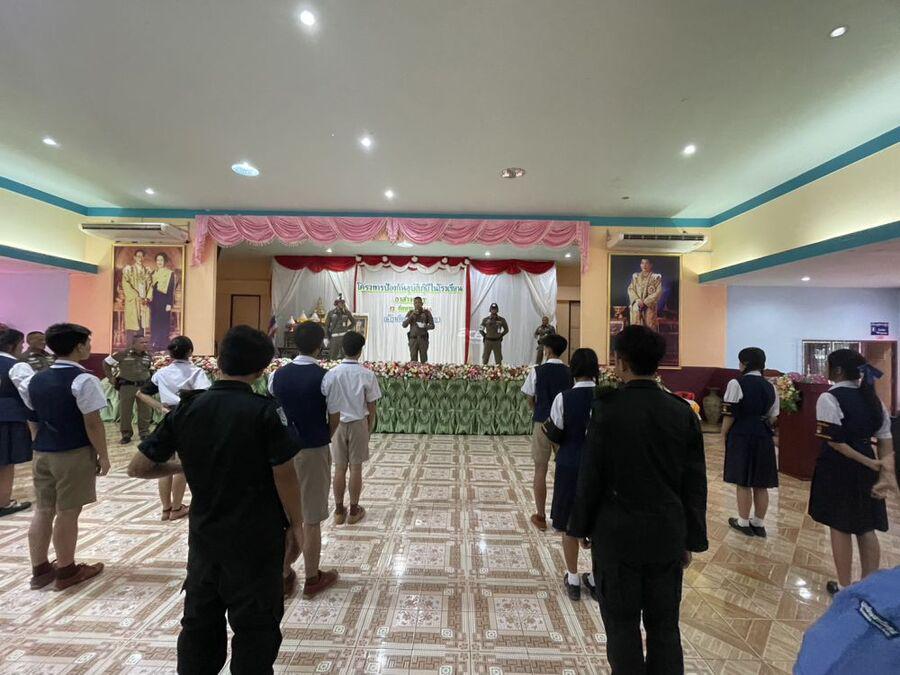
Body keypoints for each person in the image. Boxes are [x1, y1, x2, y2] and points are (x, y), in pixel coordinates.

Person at [127, 325, 304, 674]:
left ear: (219, 361)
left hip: (205, 538)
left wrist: (190, 464)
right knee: (256, 628)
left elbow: (139, 467)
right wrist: (297, 524)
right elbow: (284, 474)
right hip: (256, 538)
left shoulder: (187, 409)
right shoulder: (266, 412)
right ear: (261, 369)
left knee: (200, 624)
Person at [569, 325, 708, 674]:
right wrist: (691, 538)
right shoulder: (682, 412)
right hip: (666, 533)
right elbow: (694, 483)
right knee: (665, 626)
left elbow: (591, 475)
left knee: (621, 625)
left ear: (621, 362)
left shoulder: (607, 410)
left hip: (617, 535)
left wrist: (580, 526)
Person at [20, 323, 109, 591]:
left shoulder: (34, 379)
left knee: (43, 509)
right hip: (73, 452)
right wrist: (103, 455)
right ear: (79, 346)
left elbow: (32, 418)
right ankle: (67, 570)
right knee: (68, 511)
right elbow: (93, 423)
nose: (89, 347)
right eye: (87, 342)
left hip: (42, 452)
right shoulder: (84, 380)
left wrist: (40, 443)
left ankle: (40, 570)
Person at [808, 349, 897, 596]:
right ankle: (868, 587)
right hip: (867, 464)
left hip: (838, 467)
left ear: (837, 371)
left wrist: (870, 464)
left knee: (840, 525)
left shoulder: (829, 398)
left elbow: (836, 443)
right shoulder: (873, 400)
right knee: (866, 527)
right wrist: (883, 471)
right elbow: (885, 439)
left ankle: (844, 587)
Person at [269, 322, 340, 598]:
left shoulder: (276, 375)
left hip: (281, 453)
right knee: (310, 518)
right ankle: (312, 577)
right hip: (313, 450)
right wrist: (321, 438)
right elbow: (334, 418)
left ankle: (283, 574)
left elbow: (274, 410)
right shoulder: (326, 378)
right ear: (320, 345)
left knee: (286, 516)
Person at [541, 347, 599, 601]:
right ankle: (595, 578)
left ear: (572, 370)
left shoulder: (563, 398)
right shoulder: (606, 398)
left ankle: (573, 578)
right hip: (598, 467)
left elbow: (555, 432)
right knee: (597, 521)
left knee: (568, 521)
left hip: (569, 464)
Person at [136, 336, 210, 522]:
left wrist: (160, 408)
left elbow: (141, 393)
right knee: (182, 465)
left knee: (165, 463)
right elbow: (204, 396)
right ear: (190, 351)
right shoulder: (196, 372)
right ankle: (177, 507)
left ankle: (165, 508)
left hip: (167, 417)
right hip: (188, 418)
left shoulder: (161, 373)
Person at [321, 331, 381, 526]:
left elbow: (325, 400)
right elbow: (372, 405)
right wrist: (368, 427)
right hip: (358, 423)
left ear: (343, 348)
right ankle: (354, 511)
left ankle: (339, 511)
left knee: (339, 468)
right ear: (360, 351)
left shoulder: (332, 373)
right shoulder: (367, 374)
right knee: (356, 468)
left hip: (336, 424)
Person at [721, 347, 780, 538]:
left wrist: (723, 434)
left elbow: (730, 414)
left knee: (743, 480)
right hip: (763, 435)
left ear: (745, 363)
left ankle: (743, 522)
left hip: (742, 434)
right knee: (761, 482)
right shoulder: (771, 387)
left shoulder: (736, 383)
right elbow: (773, 416)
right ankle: (759, 523)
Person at [521, 333, 573, 531]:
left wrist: (537, 410)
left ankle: (541, 516)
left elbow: (529, 396)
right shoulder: (570, 372)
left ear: (548, 350)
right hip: (565, 426)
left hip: (542, 423)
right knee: (564, 470)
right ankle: (563, 516)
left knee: (540, 470)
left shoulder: (537, 371)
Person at [0, 329, 33, 517]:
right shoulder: (16, 366)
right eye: (21, 344)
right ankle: (3, 502)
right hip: (7, 417)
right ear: (12, 346)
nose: (23, 348)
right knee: (5, 461)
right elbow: (29, 392)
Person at [104, 335, 153, 443]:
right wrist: (110, 377)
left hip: (143, 386)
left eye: (146, 342)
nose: (145, 344)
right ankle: (126, 434)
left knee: (145, 411)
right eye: (142, 342)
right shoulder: (122, 354)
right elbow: (106, 363)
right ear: (134, 344)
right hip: (127, 386)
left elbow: (148, 369)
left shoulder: (148, 356)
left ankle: (144, 433)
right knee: (125, 411)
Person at [121, 248, 152, 344]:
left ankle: (139, 348)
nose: (140, 258)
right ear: (134, 257)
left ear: (144, 258)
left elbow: (151, 285)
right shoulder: (129, 269)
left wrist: (147, 297)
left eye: (142, 256)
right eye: (138, 256)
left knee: (142, 325)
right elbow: (125, 284)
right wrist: (136, 296)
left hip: (143, 301)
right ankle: (130, 347)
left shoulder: (147, 271)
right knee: (132, 325)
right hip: (133, 300)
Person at [149, 252, 176, 351]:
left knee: (163, 322)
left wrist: (169, 303)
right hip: (154, 301)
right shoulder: (153, 273)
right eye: (158, 260)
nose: (159, 262)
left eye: (161, 260)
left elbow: (171, 289)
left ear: (165, 261)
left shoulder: (169, 273)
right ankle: (154, 342)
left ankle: (163, 344)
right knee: (154, 322)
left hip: (164, 301)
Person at [627, 258, 663, 331]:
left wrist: (645, 302)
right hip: (637, 306)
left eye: (646, 263)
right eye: (642, 263)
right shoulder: (636, 277)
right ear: (640, 265)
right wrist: (637, 299)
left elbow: (658, 292)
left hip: (649, 307)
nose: (644, 265)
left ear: (651, 265)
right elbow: (631, 289)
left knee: (650, 328)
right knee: (636, 328)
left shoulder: (656, 277)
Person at [401, 296, 435, 363]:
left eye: (419, 302)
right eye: (416, 303)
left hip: (423, 339)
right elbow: (404, 325)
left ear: (422, 304)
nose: (417, 304)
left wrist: (425, 326)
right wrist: (411, 315)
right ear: (413, 304)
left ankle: (424, 370)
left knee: (424, 360)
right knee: (413, 361)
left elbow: (432, 326)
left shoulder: (426, 312)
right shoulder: (410, 312)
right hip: (413, 339)